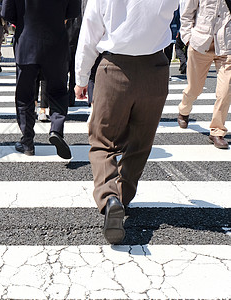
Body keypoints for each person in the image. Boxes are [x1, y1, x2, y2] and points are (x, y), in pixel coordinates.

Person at [74, 0, 178, 244]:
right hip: (155, 67)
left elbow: (89, 32)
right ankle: (123, 196)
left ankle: (110, 198)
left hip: (115, 67)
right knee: (140, 143)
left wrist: (81, 78)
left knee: (102, 141)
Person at [2, 0, 80, 159]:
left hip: (26, 41)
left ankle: (27, 142)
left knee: (25, 96)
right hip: (55, 43)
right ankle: (56, 129)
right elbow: (73, 12)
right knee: (58, 91)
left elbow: (6, 13)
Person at [177, 0, 230, 150]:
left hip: (227, 46)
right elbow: (186, 14)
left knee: (225, 92)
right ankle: (184, 110)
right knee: (194, 89)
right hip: (200, 44)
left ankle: (217, 131)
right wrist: (188, 39)